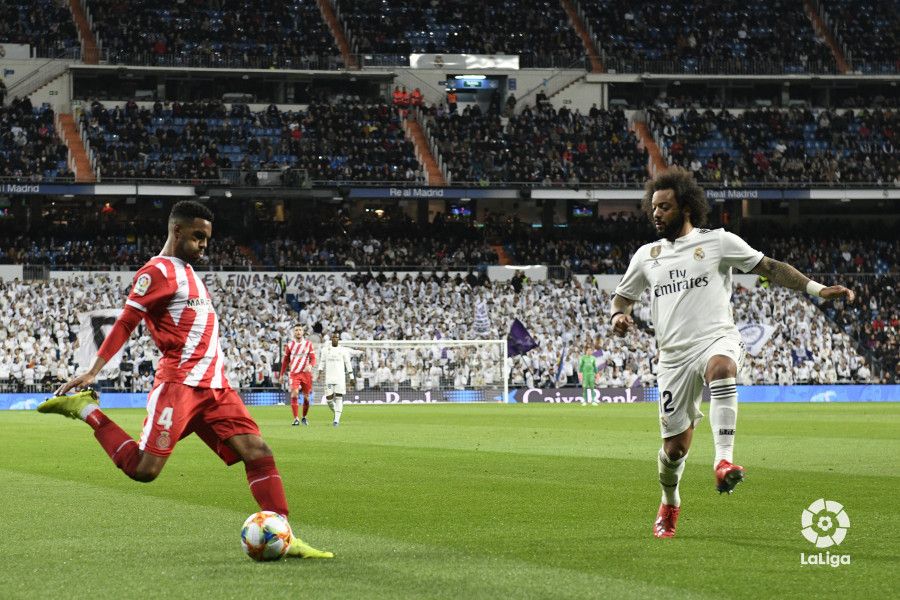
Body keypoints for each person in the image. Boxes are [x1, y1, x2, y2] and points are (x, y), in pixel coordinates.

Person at [37, 200, 333, 558]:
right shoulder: (157, 272)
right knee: (144, 470)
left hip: (216, 388)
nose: (204, 245)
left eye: (207, 238)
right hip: (179, 387)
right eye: (198, 237)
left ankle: (285, 534)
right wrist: (94, 371)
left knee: (259, 452)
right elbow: (127, 321)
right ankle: (85, 410)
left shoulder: (190, 273)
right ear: (176, 231)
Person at [610, 169, 855, 539]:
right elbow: (623, 296)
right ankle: (669, 502)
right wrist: (618, 315)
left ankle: (723, 460)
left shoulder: (718, 242)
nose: (656, 214)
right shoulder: (647, 255)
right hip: (672, 358)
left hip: (715, 338)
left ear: (686, 208)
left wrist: (818, 290)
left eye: (664, 207)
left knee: (723, 368)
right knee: (674, 450)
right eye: (653, 207)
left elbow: (770, 267)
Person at [277, 324, 316, 426]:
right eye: (296, 330)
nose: (298, 332)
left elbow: (313, 358)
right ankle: (296, 418)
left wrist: (310, 365)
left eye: (300, 330)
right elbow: (285, 361)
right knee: (294, 393)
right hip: (294, 374)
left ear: (303, 332)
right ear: (294, 332)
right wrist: (281, 375)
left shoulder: (308, 344)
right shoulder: (290, 345)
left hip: (306, 374)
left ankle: (304, 417)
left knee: (306, 398)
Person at [317, 332, 354, 427]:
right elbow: (322, 362)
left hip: (340, 378)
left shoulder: (343, 350)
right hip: (329, 377)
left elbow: (348, 363)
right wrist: (319, 374)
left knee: (339, 398)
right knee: (329, 400)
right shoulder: (326, 350)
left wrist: (351, 377)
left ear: (338, 339)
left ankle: (336, 420)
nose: (335, 339)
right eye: (333, 337)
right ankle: (337, 412)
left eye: (337, 337)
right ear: (331, 338)